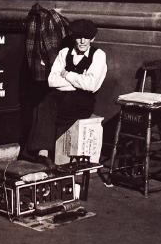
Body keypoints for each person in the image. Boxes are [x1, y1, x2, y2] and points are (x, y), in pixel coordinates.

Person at [18, 18, 107, 167]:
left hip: (82, 100)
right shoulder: (64, 53)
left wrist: (67, 75)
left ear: (93, 38)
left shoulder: (98, 55)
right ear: (74, 38)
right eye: (79, 37)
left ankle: (39, 153)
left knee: (52, 113)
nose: (82, 41)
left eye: (86, 37)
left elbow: (91, 85)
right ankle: (43, 154)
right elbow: (52, 81)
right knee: (43, 105)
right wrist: (78, 82)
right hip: (60, 95)